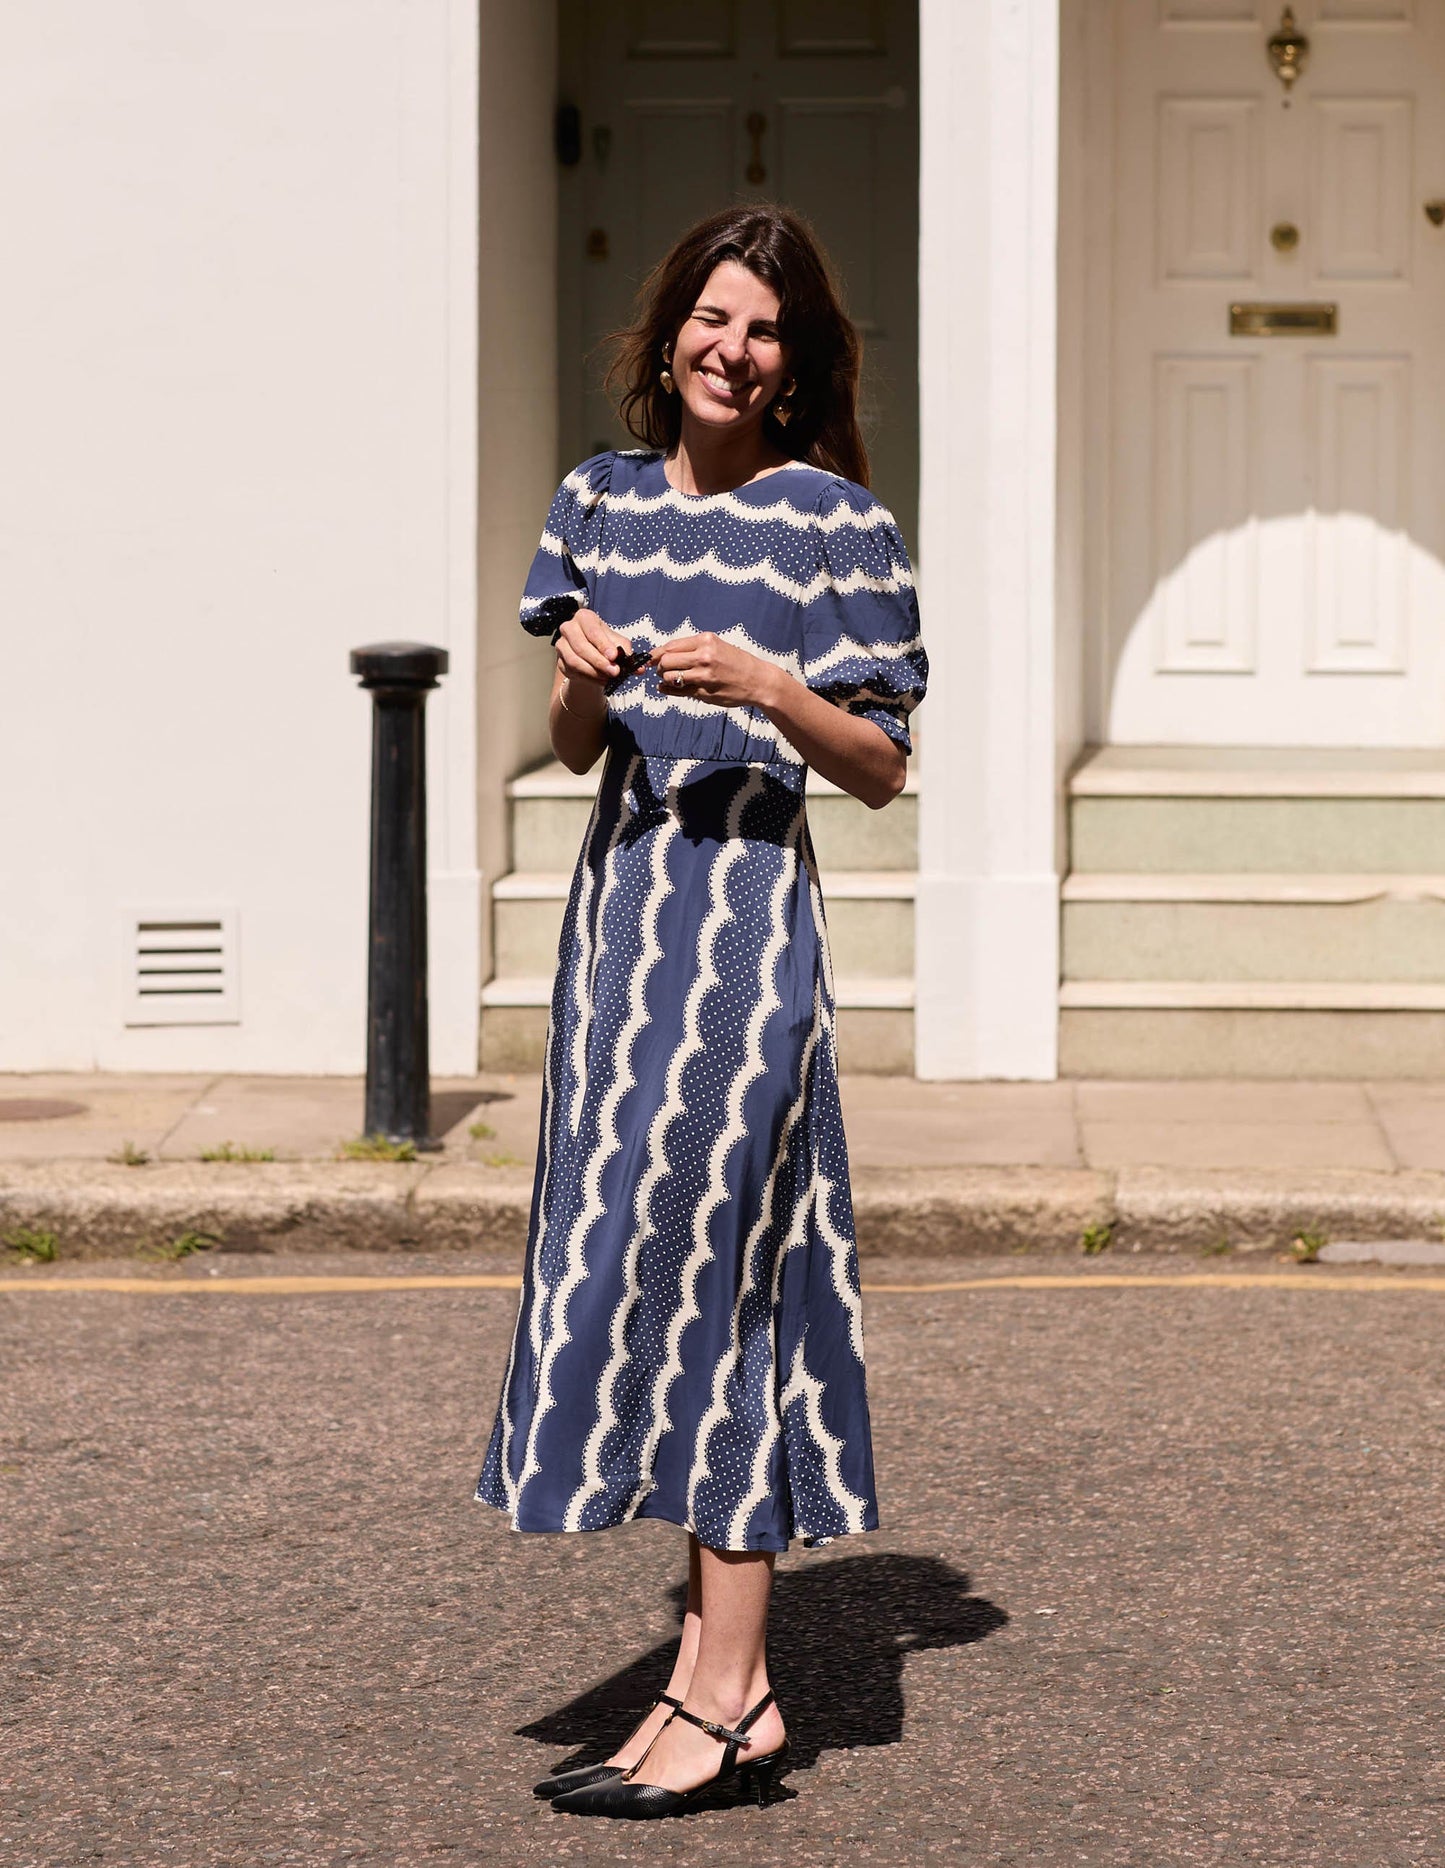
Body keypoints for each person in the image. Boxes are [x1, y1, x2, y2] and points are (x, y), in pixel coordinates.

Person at [475, 202, 927, 1821]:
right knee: (658, 1278)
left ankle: (732, 1692)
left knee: (728, 1287)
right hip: (620, 936)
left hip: (740, 941)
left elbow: (879, 769)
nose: (733, 352)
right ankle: (702, 1678)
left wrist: (778, 690)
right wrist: (587, 674)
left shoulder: (835, 528)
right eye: (713, 321)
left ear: (797, 368)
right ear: (667, 332)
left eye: (767, 334)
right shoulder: (595, 499)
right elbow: (582, 744)